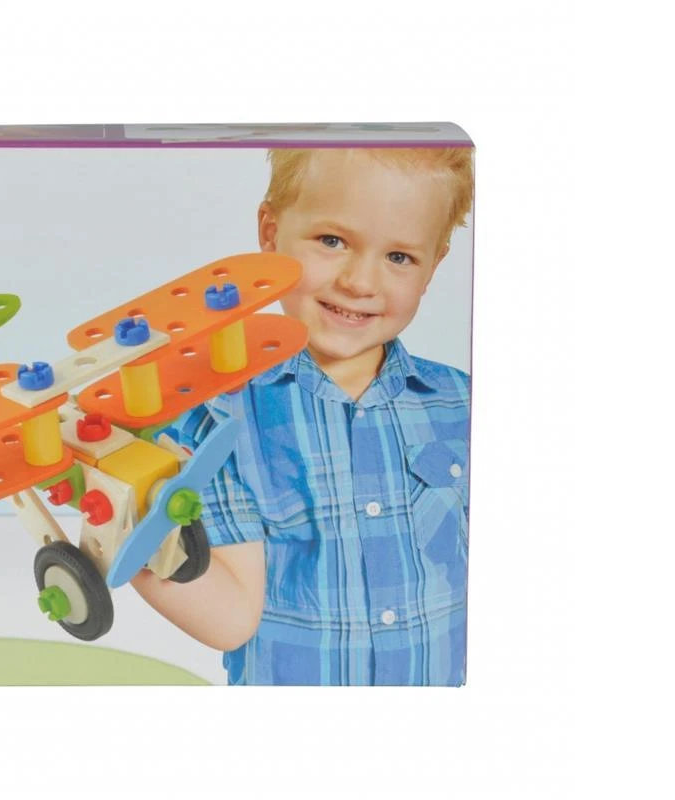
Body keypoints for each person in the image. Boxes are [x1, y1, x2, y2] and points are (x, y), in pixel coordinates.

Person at [131, 147, 474, 685]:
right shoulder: (221, 416)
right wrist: (128, 531)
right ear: (270, 234)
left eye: (399, 257)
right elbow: (229, 618)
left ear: (434, 266)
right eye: (332, 241)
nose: (360, 282)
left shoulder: (463, 402)